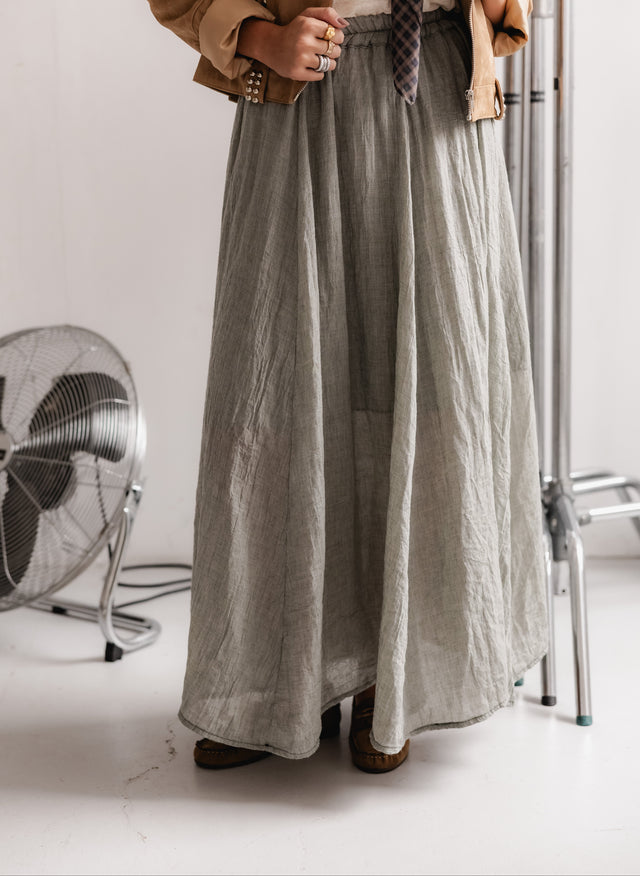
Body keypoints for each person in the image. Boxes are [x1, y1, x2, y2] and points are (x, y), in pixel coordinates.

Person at [147, 0, 549, 774]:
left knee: (431, 389)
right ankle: (267, 681)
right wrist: (256, 35)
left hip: (435, 90)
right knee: (271, 387)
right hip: (299, 97)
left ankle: (388, 675)